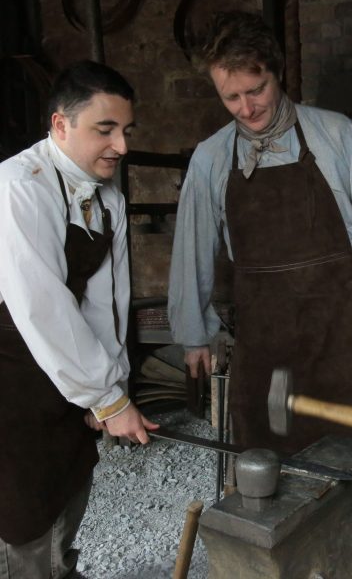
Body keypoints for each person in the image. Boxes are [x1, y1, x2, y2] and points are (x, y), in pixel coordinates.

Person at [168, 10, 352, 536]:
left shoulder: (334, 134)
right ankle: (281, 538)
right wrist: (194, 333)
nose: (248, 108)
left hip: (343, 327)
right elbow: (192, 248)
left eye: (256, 89)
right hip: (269, 336)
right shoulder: (211, 159)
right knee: (271, 438)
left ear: (277, 72)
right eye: (232, 98)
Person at [0, 60, 159, 579]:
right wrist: (107, 399)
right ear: (60, 125)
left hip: (63, 369)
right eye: (105, 130)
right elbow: (41, 306)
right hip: (13, 377)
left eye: (126, 130)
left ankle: (60, 569)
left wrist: (110, 388)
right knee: (25, 502)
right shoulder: (20, 186)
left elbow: (106, 304)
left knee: (70, 474)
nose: (122, 146)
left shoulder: (105, 196)